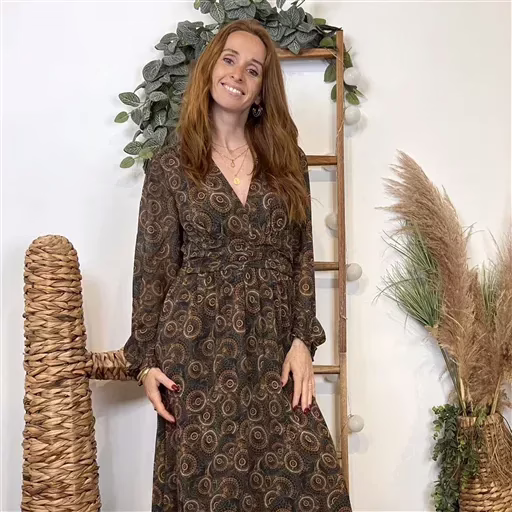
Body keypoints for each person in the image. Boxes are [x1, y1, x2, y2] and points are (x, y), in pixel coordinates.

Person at [123, 18, 352, 512]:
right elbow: (152, 269)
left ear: (261, 89)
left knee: (314, 488)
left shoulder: (287, 161)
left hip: (274, 345)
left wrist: (302, 340)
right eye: (229, 60)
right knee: (214, 490)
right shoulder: (170, 167)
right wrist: (145, 363)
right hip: (197, 348)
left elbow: (300, 256)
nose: (238, 75)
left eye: (253, 69)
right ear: (210, 68)